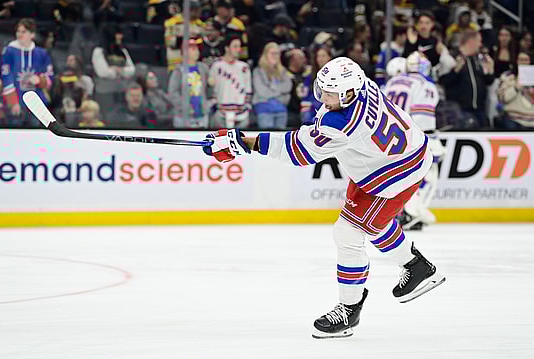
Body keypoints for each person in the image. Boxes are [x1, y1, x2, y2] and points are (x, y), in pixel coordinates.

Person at [203, 57, 446, 338]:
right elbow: (317, 128)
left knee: (348, 234)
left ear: (348, 94)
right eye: (323, 89)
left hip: (394, 173)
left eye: (330, 93)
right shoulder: (361, 85)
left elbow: (298, 151)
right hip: (389, 159)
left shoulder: (343, 122)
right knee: (373, 223)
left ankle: (349, 309)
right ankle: (417, 267)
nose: (323, 97)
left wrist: (243, 142)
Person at [383, 52, 444, 230]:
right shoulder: (425, 85)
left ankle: (399, 213)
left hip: (387, 136)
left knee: (398, 176)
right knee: (427, 173)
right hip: (411, 135)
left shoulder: (392, 82)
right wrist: (431, 141)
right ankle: (412, 212)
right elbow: (423, 119)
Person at [0, 18, 54, 127]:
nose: (19, 34)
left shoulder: (41, 53)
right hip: (16, 102)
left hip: (36, 104)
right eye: (18, 31)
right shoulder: (9, 51)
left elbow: (49, 74)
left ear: (32, 34)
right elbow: (6, 77)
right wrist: (12, 102)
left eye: (23, 31)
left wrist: (40, 79)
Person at [440, 29, 494, 128]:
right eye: (479, 41)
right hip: (460, 110)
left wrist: (490, 71)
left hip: (480, 109)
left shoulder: (478, 59)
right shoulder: (451, 57)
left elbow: (487, 82)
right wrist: (455, 71)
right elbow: (443, 81)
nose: (480, 44)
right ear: (471, 41)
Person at [208, 35, 252, 128]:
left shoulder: (244, 67)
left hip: (241, 114)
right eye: (235, 46)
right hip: (221, 113)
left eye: (239, 46)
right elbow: (211, 88)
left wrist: (246, 106)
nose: (238, 49)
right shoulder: (217, 66)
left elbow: (248, 90)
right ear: (227, 48)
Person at [91, 25, 135, 115]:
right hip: (105, 92)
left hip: (122, 90)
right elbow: (103, 72)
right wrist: (122, 71)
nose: (121, 36)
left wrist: (118, 70)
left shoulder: (123, 51)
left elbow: (132, 69)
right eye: (118, 34)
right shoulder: (99, 51)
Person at [168, 38, 209, 129]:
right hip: (183, 117)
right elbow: (172, 92)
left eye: (197, 48)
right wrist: (184, 107)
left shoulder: (204, 69)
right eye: (192, 48)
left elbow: (209, 88)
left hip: (201, 115)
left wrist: (208, 104)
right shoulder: (178, 71)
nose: (196, 51)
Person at [252, 42, 292, 129]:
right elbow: (262, 92)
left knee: (281, 140)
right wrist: (280, 93)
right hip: (264, 110)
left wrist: (273, 87)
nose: (275, 56)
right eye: (273, 53)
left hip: (281, 109)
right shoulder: (258, 71)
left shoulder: (283, 71)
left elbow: (288, 87)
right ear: (266, 54)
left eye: (277, 53)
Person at [164, 0, 205, 71]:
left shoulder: (200, 24)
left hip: (193, 63)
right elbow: (168, 41)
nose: (200, 12)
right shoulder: (173, 22)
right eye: (198, 10)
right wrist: (187, 38)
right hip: (176, 63)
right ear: (191, 10)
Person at [301, 45, 331, 124]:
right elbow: (305, 97)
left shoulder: (336, 76)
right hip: (311, 108)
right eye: (318, 56)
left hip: (329, 108)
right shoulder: (310, 76)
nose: (320, 59)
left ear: (329, 57)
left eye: (323, 56)